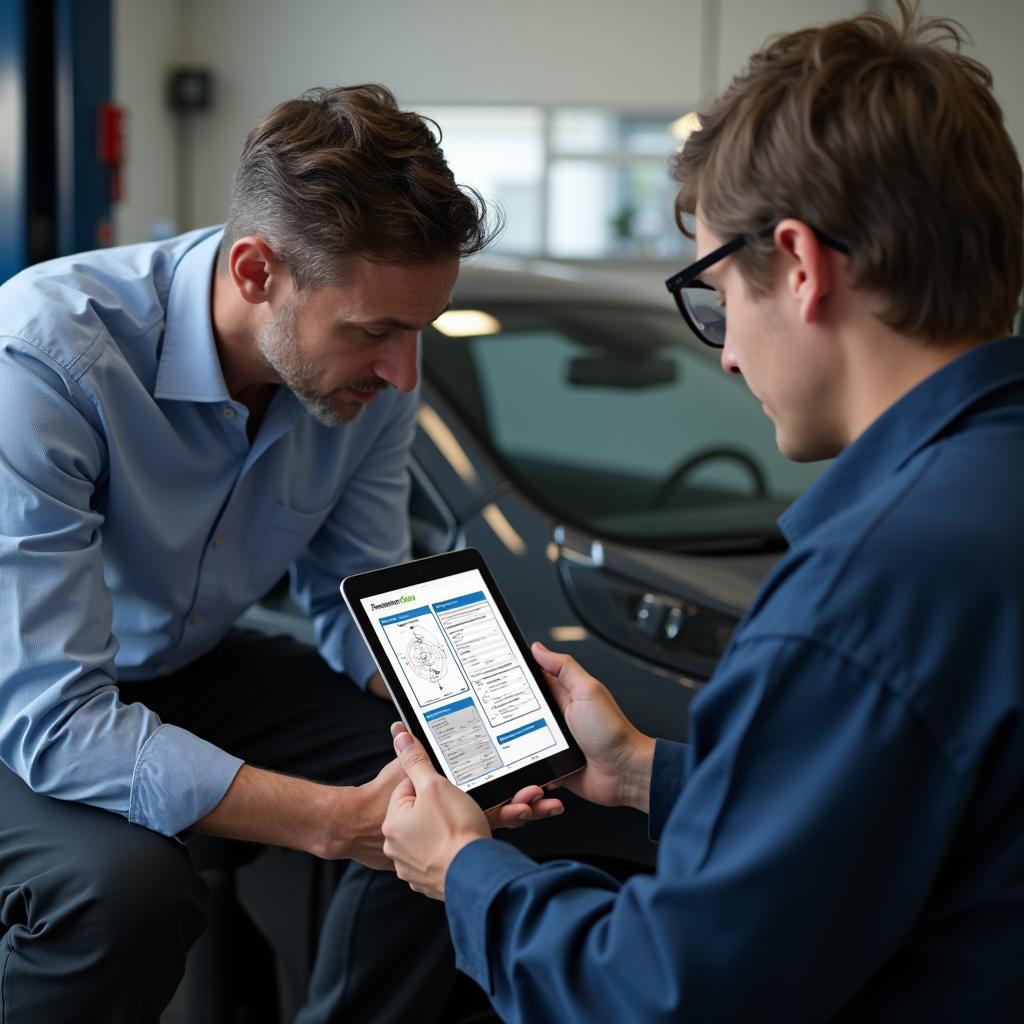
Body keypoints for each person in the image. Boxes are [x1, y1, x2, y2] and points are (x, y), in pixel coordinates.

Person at [380, 5, 1024, 1021]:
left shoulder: (867, 587)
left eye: (715, 295)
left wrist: (464, 871)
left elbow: (665, 993)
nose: (721, 352)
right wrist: (642, 772)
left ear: (802, 267)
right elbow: (896, 826)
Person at [0, 83, 553, 1023]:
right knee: (123, 892)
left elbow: (359, 590)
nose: (404, 373)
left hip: (191, 665)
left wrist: (491, 703)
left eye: (417, 330)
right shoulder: (48, 355)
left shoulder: (373, 380)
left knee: (485, 783)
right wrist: (335, 824)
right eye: (375, 330)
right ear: (257, 272)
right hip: (27, 699)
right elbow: (53, 716)